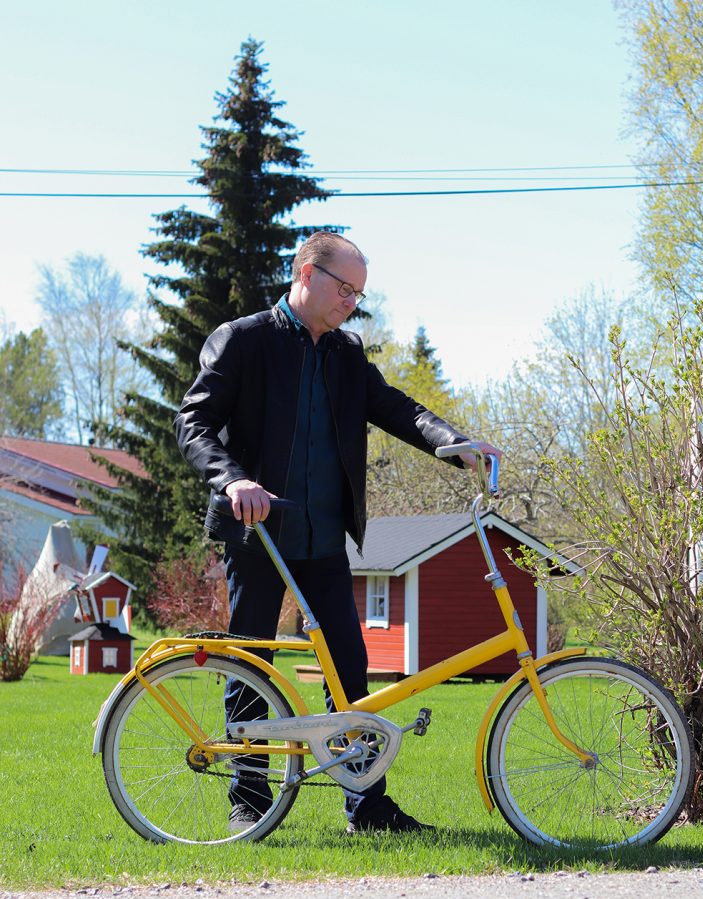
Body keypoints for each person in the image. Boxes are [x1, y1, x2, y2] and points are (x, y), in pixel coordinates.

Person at [175, 231, 500, 835]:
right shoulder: (244, 341)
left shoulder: (346, 354)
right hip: (258, 531)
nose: (351, 301)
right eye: (343, 287)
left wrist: (454, 443)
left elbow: (399, 408)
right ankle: (249, 794)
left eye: (359, 293)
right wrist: (232, 481)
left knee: (349, 669)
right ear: (305, 272)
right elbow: (193, 423)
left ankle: (367, 804)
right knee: (253, 662)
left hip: (324, 537)